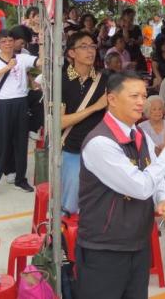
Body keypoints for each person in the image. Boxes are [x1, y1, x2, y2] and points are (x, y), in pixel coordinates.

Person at [76, 71, 165, 298]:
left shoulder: (138, 134)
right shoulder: (100, 142)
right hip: (105, 247)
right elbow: (141, 186)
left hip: (137, 241)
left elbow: (154, 174)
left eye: (144, 96)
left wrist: (162, 199)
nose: (141, 102)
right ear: (112, 99)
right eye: (134, 96)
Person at [60, 32, 108, 213]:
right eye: (84, 46)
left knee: (99, 204)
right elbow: (59, 123)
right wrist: (95, 107)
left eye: (93, 46)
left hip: (99, 150)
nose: (91, 51)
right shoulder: (62, 81)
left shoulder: (104, 79)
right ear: (71, 53)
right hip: (71, 148)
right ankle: (66, 239)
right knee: (70, 206)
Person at [0, 29, 41, 197]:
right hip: (2, 104)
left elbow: (39, 62)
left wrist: (42, 44)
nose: (8, 44)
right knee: (0, 146)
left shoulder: (22, 57)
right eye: (4, 41)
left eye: (10, 40)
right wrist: (7, 68)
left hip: (20, 102)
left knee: (21, 143)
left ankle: (21, 179)